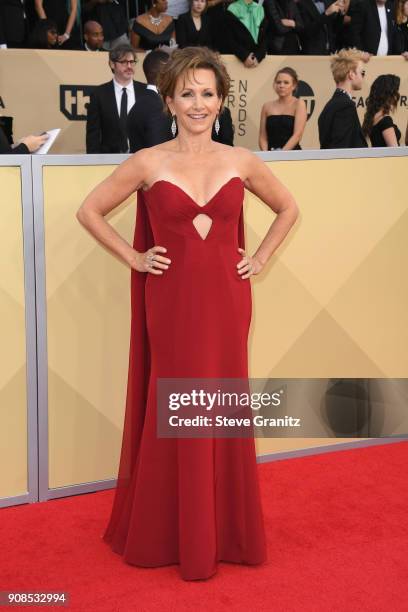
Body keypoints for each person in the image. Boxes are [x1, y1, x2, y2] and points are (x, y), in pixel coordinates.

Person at [76, 46, 298, 581]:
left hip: (227, 301)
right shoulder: (149, 161)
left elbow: (289, 208)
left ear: (221, 101)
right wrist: (133, 256)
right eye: (187, 93)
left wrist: (261, 257)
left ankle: (221, 532)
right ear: (169, 100)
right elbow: (89, 209)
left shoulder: (241, 161)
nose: (197, 103)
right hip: (171, 303)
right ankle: (173, 532)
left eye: (207, 93)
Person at [86, 44, 146, 153]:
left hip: (141, 158)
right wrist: (93, 163)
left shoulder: (146, 92)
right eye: (123, 62)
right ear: (112, 64)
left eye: (132, 62)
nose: (129, 66)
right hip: (109, 160)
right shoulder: (99, 94)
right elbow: (93, 135)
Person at [318, 47, 368, 149]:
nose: (363, 77)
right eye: (362, 73)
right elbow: (341, 148)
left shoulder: (331, 105)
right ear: (351, 74)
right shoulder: (345, 106)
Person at [127, 49, 173, 152]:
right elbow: (158, 152)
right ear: (162, 73)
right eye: (171, 70)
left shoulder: (142, 102)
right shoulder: (156, 107)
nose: (174, 75)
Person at [258, 67, 307, 151]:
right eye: (278, 82)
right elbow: (262, 137)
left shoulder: (299, 104)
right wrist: (267, 155)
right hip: (270, 156)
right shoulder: (267, 106)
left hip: (292, 157)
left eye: (286, 82)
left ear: (294, 86)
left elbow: (297, 135)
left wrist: (281, 155)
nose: (281, 85)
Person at [362, 74, 401, 146]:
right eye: (395, 91)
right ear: (389, 94)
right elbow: (394, 150)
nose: (397, 95)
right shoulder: (385, 120)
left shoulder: (373, 116)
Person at [225, 0, 267, 67]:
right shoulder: (232, 8)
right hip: (236, 60)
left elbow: (265, 37)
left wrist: (259, 56)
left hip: (258, 62)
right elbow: (229, 38)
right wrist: (244, 56)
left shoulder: (260, 9)